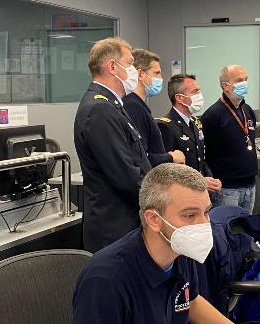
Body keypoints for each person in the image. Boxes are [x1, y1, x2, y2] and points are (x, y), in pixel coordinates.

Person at [70, 163, 260, 324]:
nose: (204, 225)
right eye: (189, 215)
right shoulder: (106, 280)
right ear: (154, 219)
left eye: (206, 212)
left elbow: (191, 301)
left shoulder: (179, 251)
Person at [73, 37, 151, 253]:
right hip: (115, 229)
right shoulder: (100, 109)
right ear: (112, 67)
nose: (134, 70)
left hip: (125, 223)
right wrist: (160, 203)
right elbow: (124, 175)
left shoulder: (112, 104)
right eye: (130, 63)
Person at [202, 65, 258, 213]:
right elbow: (205, 153)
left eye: (246, 79)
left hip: (250, 183)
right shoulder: (213, 115)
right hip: (227, 188)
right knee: (228, 231)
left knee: (246, 230)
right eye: (239, 80)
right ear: (225, 86)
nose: (244, 83)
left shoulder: (247, 110)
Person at [157, 74, 221, 193]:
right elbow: (167, 171)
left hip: (201, 191)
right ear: (179, 98)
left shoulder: (195, 122)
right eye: (195, 92)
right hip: (181, 193)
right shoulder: (166, 126)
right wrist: (200, 181)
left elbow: (201, 159)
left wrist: (211, 179)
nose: (199, 95)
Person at [123, 49, 185, 166]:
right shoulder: (133, 107)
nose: (161, 78)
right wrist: (170, 157)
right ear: (140, 74)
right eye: (156, 73)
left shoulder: (139, 105)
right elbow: (141, 157)